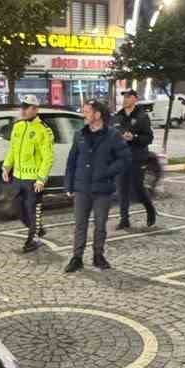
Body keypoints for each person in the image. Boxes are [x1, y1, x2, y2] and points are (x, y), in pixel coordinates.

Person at [64, 100, 131, 273]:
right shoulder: (79, 134)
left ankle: (98, 256)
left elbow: (124, 158)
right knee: (80, 225)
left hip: (102, 189)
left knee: (100, 225)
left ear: (97, 115)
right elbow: (71, 161)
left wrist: (107, 171)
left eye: (87, 112)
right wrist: (69, 185)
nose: (83, 115)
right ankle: (76, 258)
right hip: (82, 188)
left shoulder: (113, 135)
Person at [1, 99, 54, 253]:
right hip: (17, 177)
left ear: (35, 109)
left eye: (27, 108)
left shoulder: (43, 130)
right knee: (18, 208)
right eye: (22, 107)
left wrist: (41, 178)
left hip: (33, 180)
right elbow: (12, 149)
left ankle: (32, 240)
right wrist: (6, 167)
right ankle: (36, 228)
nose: (23, 111)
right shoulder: (18, 126)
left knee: (32, 210)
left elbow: (48, 157)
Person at [113, 89, 157, 230]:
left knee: (137, 188)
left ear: (135, 99)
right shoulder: (118, 116)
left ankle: (150, 209)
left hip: (137, 157)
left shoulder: (142, 116)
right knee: (122, 189)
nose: (125, 99)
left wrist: (135, 138)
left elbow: (149, 138)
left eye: (128, 96)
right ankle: (124, 219)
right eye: (124, 97)